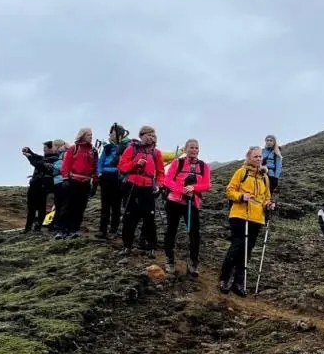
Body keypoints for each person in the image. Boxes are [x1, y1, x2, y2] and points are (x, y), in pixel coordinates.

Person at [219, 146, 275, 297]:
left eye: (259, 157)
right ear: (249, 158)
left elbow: (266, 197)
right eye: (255, 156)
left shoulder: (264, 177)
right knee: (237, 246)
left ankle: (238, 282)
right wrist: (241, 197)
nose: (258, 159)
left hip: (257, 218)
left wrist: (268, 204)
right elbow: (229, 190)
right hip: (240, 215)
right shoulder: (242, 172)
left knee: (247, 251)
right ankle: (224, 279)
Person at [162, 139, 212, 276]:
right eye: (191, 147)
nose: (194, 150)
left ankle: (193, 262)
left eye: (196, 148)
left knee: (194, 234)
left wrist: (194, 188)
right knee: (171, 230)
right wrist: (182, 190)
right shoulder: (177, 163)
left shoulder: (204, 166)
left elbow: (207, 185)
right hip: (174, 202)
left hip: (192, 203)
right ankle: (169, 260)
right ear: (185, 149)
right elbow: (167, 180)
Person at [118, 125, 166, 256]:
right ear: (141, 135)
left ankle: (151, 247)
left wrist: (160, 185)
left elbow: (161, 172)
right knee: (129, 216)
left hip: (149, 187)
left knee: (149, 217)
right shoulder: (131, 148)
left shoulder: (156, 153)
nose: (151, 137)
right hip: (132, 185)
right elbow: (122, 167)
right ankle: (127, 246)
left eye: (152, 135)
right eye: (148, 135)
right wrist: (136, 164)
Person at [57, 127, 99, 239]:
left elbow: (95, 168)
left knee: (80, 208)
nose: (91, 136)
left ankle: (73, 230)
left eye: (91, 134)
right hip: (72, 181)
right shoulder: (73, 148)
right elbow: (66, 165)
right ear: (82, 135)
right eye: (89, 134)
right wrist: (66, 179)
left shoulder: (93, 151)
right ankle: (62, 230)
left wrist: (95, 182)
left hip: (85, 183)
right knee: (67, 206)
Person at [96, 123, 130, 239]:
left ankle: (113, 230)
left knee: (116, 204)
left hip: (117, 176)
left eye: (113, 133)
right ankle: (102, 229)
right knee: (104, 204)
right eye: (110, 133)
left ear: (119, 134)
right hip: (105, 176)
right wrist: (100, 173)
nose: (110, 135)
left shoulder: (127, 146)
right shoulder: (108, 147)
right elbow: (100, 161)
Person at [21, 141, 56, 232]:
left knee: (41, 208)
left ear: (51, 149)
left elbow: (38, 164)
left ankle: (37, 227)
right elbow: (36, 157)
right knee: (31, 208)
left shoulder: (54, 159)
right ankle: (27, 228)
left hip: (43, 187)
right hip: (34, 186)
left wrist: (29, 157)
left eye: (45, 148)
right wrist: (29, 151)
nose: (43, 150)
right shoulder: (44, 158)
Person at [48, 140, 69, 234]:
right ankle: (56, 225)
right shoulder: (59, 156)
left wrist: (53, 167)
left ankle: (59, 226)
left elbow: (62, 167)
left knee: (61, 205)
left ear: (57, 146)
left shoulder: (64, 154)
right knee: (58, 204)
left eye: (53, 146)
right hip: (57, 182)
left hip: (61, 182)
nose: (51, 148)